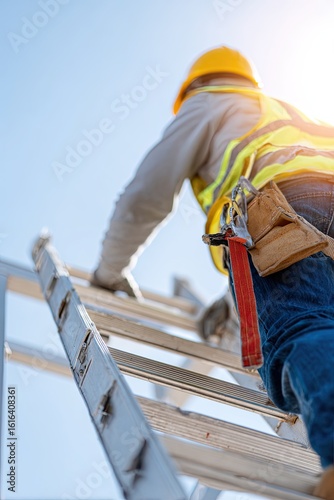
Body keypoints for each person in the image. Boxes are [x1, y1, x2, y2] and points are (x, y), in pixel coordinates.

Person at [92, 46, 334, 498]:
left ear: (193, 89)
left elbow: (147, 193)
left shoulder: (208, 102)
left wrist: (111, 270)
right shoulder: (288, 110)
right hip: (309, 208)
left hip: (283, 212)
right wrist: (231, 304)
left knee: (302, 329)